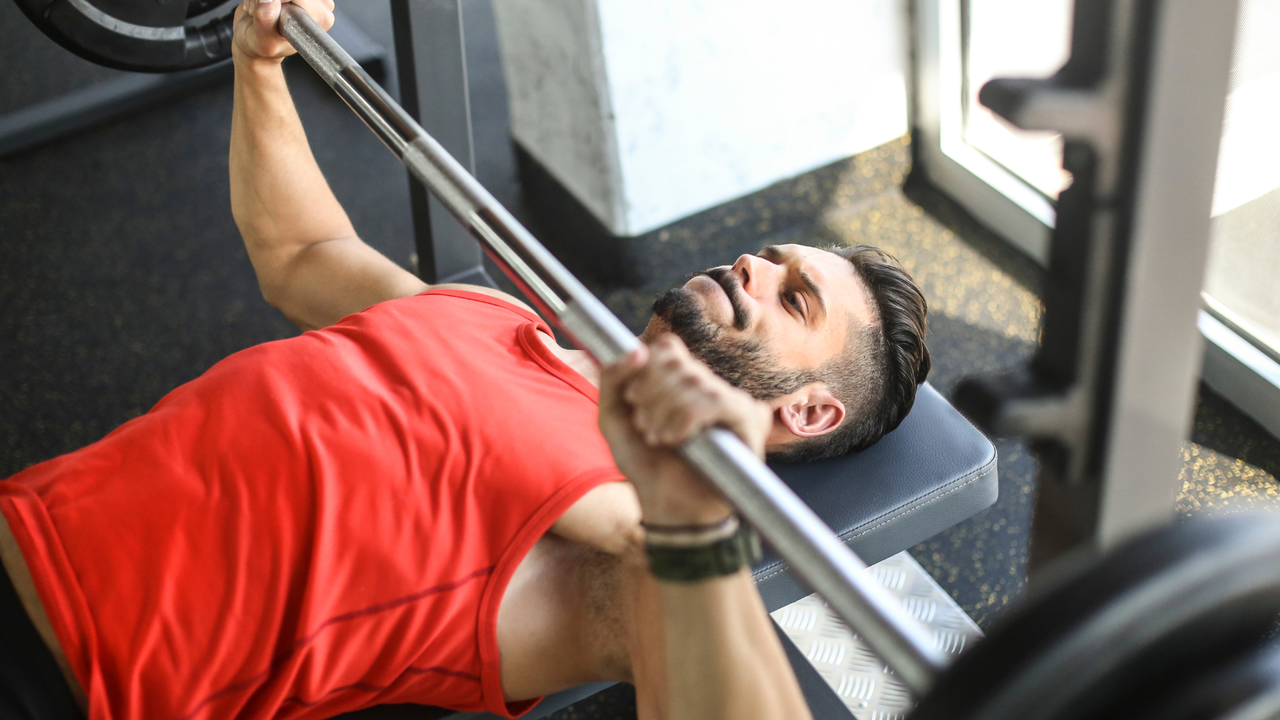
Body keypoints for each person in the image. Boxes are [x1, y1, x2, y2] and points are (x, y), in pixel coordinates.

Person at [0, 0, 931, 718]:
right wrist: (259, 70)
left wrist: (692, 517)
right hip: (23, 513)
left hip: (64, 674)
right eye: (767, 258)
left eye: (792, 296)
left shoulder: (632, 523)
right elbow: (301, 259)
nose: (750, 267)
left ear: (808, 410)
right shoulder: (499, 315)